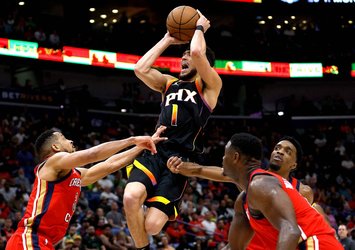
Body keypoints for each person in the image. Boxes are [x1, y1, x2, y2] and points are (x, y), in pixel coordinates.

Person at [122, 9, 222, 250]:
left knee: (152, 226)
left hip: (180, 161)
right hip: (156, 150)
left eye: (188, 55)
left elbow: (199, 52)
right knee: (130, 197)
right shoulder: (168, 83)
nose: (184, 57)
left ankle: (150, 218)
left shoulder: (209, 86)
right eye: (183, 55)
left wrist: (199, 27)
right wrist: (167, 39)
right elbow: (140, 69)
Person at [168, 133, 342, 249]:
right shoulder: (246, 194)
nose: (279, 152)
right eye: (277, 148)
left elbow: (294, 229)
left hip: (312, 243)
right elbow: (234, 247)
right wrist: (180, 167)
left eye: (287, 151)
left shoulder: (266, 185)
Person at [6, 126, 167, 250]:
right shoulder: (53, 161)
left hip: (45, 242)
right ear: (55, 147)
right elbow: (92, 155)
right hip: (29, 238)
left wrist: (142, 147)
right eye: (64, 138)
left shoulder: (74, 174)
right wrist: (132, 140)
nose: (70, 141)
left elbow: (109, 165)